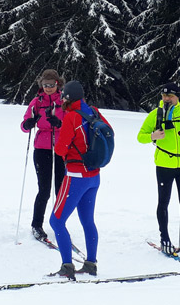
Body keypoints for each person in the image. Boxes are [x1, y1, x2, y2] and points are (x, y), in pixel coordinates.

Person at [137, 82, 180, 257]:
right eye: (164, 96)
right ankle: (165, 238)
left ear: (177, 97)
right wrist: (152, 136)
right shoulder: (156, 114)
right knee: (164, 202)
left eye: (170, 96)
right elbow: (140, 136)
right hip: (164, 164)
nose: (167, 99)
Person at [49, 81, 111, 280]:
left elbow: (60, 150)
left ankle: (67, 267)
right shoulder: (94, 111)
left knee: (56, 221)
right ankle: (91, 264)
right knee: (87, 221)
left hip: (76, 176)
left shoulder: (71, 117)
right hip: (94, 175)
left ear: (67, 98)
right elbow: (107, 132)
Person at [20, 69, 66, 241]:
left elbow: (71, 123)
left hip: (60, 148)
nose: (48, 88)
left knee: (61, 189)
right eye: (45, 85)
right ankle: (36, 225)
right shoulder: (36, 101)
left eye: (51, 85)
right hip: (42, 148)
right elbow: (24, 126)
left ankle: (59, 223)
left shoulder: (64, 101)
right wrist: (28, 123)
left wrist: (59, 123)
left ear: (57, 84)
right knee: (44, 189)